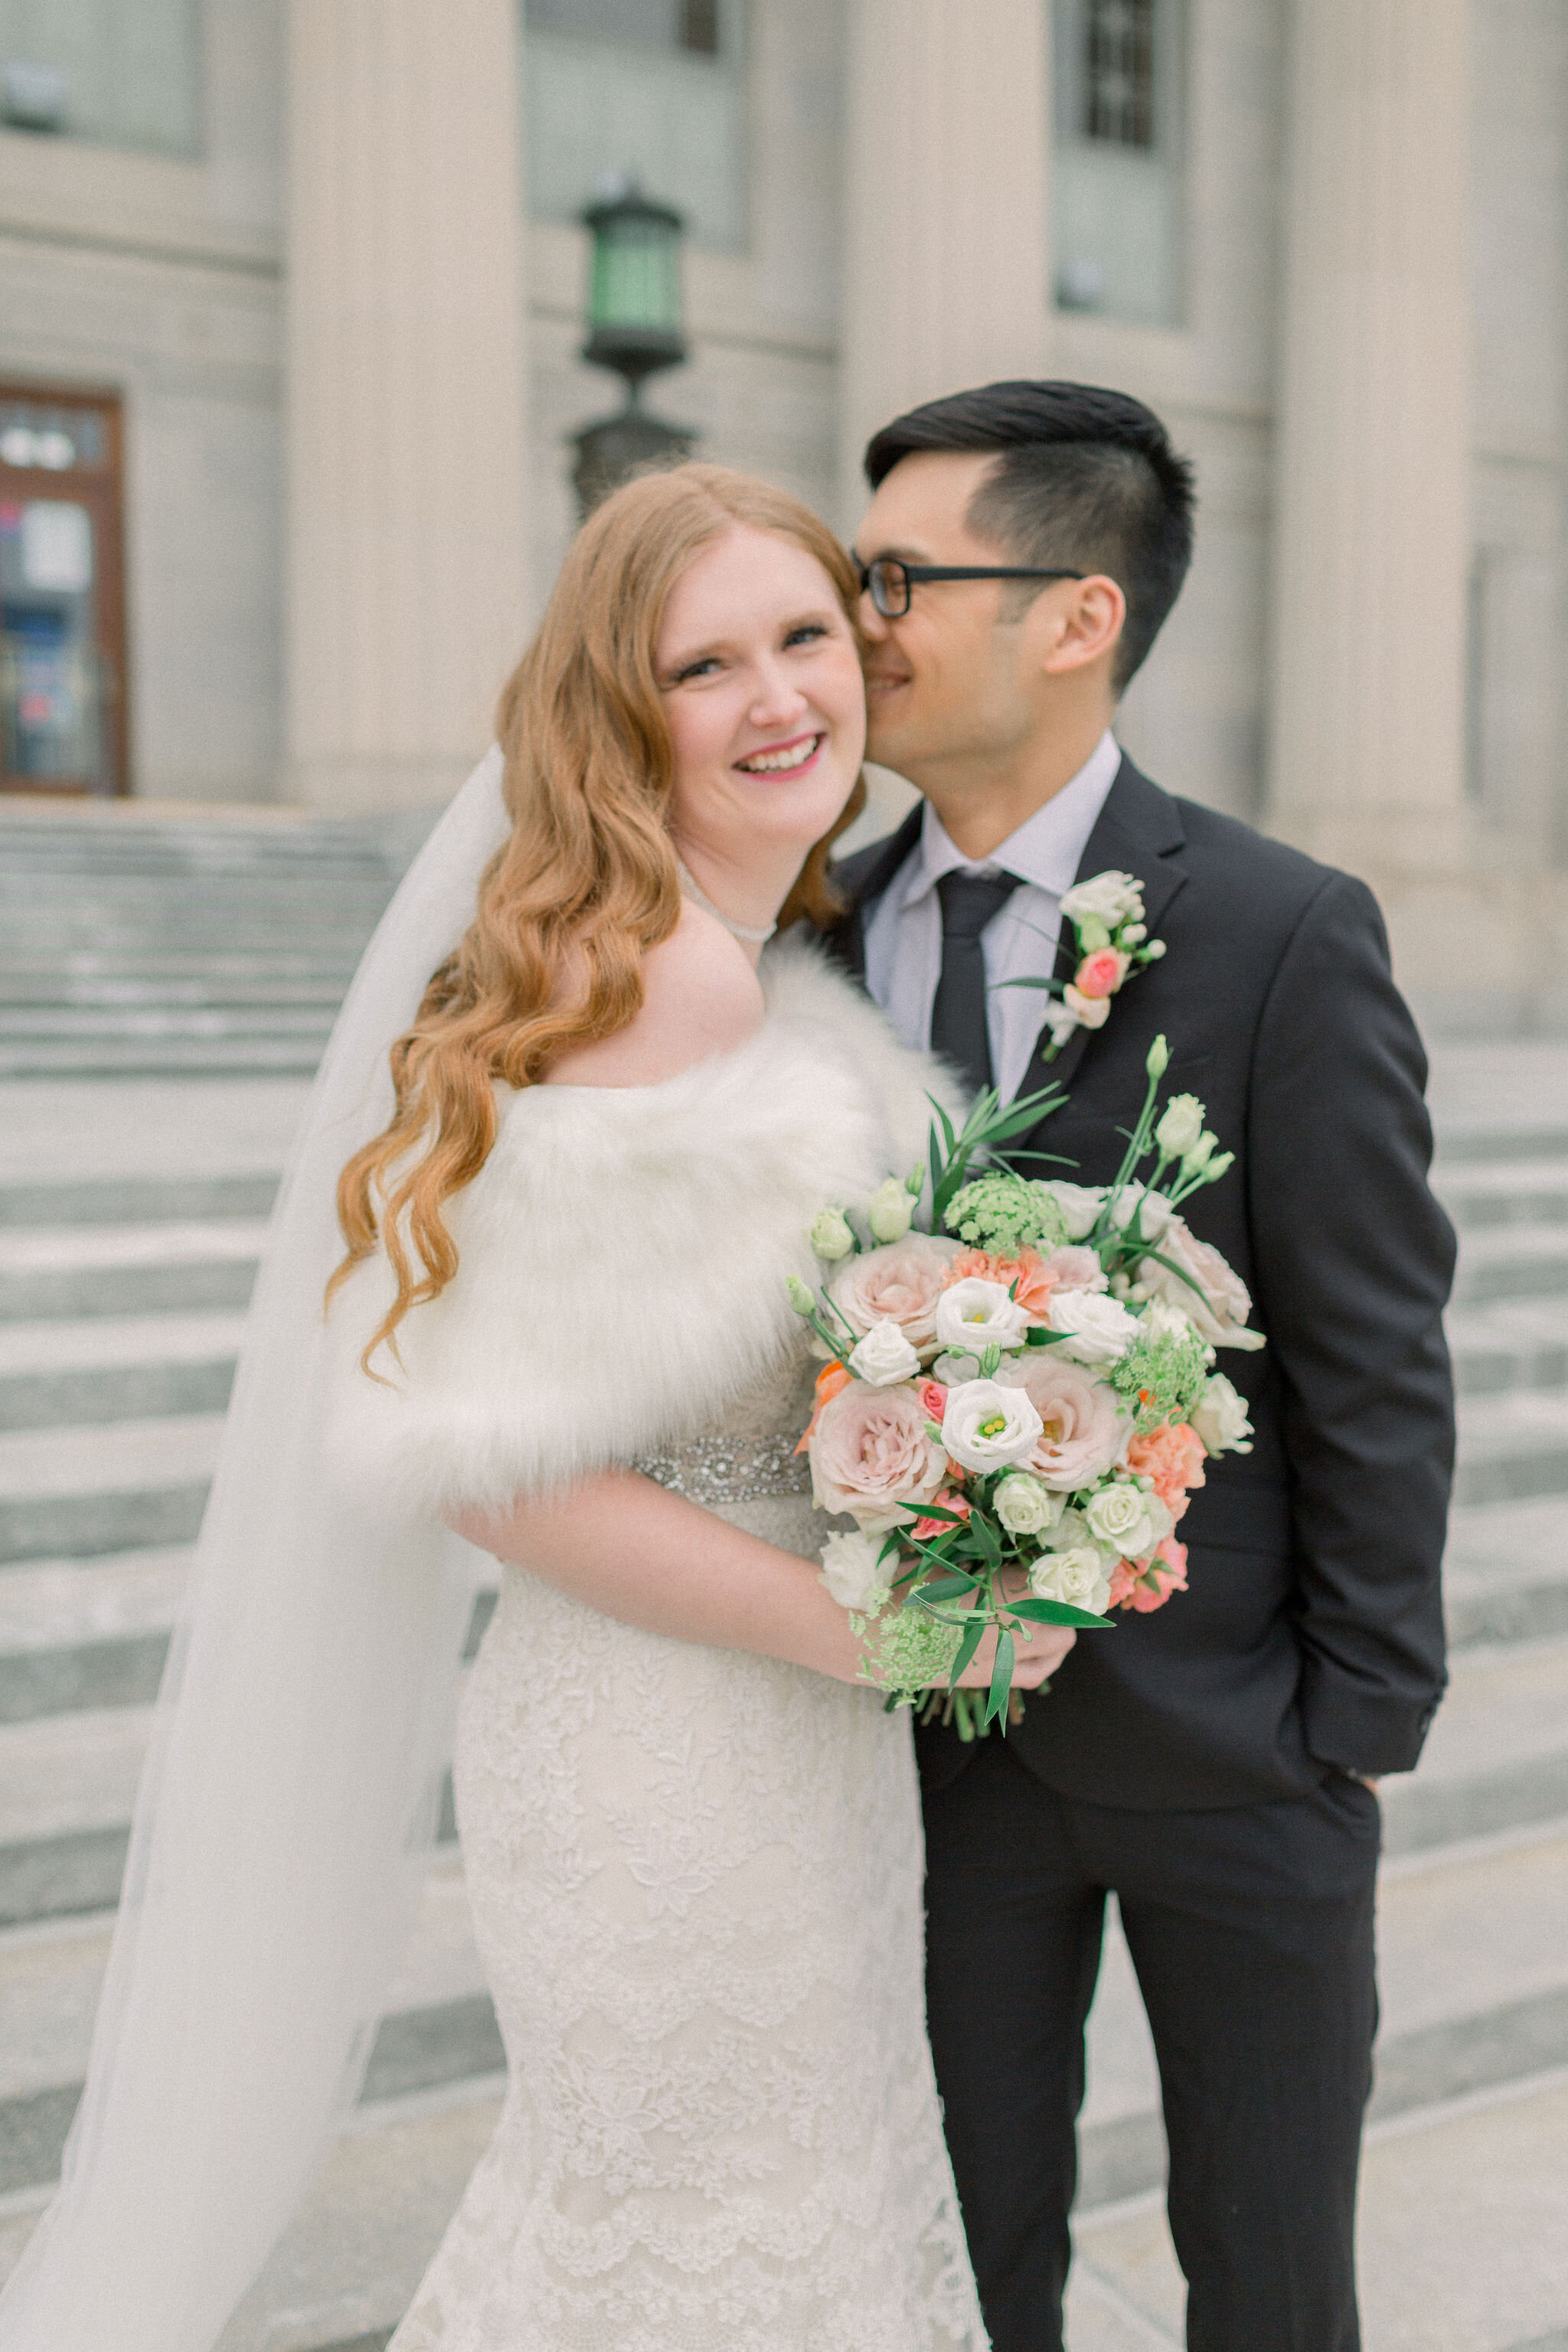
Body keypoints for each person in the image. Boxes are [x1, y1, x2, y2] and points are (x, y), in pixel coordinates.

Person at [0, 465, 1071, 2352]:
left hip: (758, 1741)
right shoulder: (664, 986)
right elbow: (494, 1473)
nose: (778, 700)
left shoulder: (712, 957)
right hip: (678, 1755)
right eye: (703, 666)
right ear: (614, 710)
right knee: (701, 2245)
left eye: (804, 637)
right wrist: (874, 1620)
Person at [825, 381, 1457, 2352]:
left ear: (1075, 614)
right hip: (913, 1756)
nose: (862, 627)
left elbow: (1373, 1346)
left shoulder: (1279, 929)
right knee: (954, 2274)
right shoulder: (806, 930)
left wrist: (1344, 1725)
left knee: (1271, 2289)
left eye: (901, 578)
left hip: (1234, 1752)